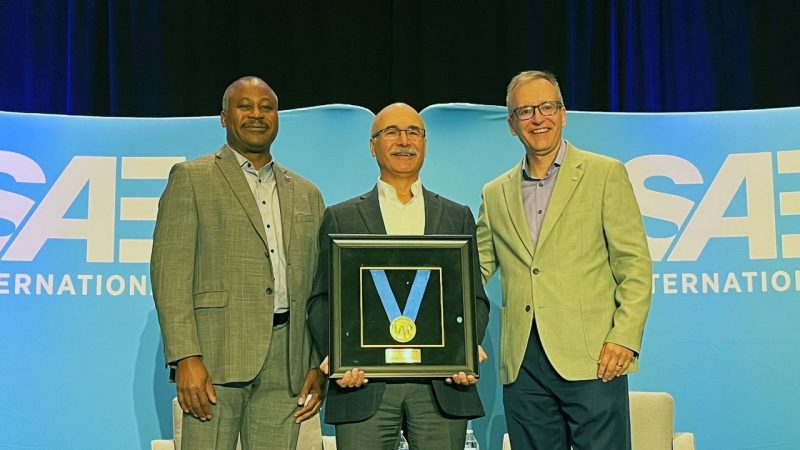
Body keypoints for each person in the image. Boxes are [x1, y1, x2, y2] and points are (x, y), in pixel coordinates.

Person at [476, 70, 652, 449]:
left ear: (563, 113)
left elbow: (634, 265)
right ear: (511, 125)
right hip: (522, 364)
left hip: (593, 357)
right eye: (525, 111)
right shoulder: (495, 194)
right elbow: (472, 271)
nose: (538, 118)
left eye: (547, 107)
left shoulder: (605, 174)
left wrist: (624, 337)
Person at [151, 76, 325, 450]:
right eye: (244, 106)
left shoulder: (308, 193)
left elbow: (316, 286)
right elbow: (170, 276)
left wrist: (315, 360)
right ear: (224, 117)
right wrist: (185, 356)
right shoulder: (191, 178)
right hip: (215, 356)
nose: (257, 114)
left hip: (289, 362)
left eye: (266, 107)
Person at [306, 103, 490, 450]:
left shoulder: (456, 215)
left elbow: (474, 297)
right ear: (373, 145)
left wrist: (463, 351)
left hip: (441, 386)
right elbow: (321, 300)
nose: (403, 141)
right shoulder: (341, 217)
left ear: (425, 142)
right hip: (363, 386)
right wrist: (341, 355)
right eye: (391, 132)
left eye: (413, 132)